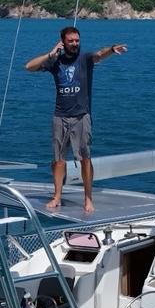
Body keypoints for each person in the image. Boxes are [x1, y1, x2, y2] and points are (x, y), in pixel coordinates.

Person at [24, 25, 127, 213]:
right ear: (63, 42)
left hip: (81, 116)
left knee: (85, 159)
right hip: (60, 116)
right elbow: (29, 67)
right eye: (70, 41)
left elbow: (99, 55)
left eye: (77, 41)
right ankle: (57, 196)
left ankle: (88, 198)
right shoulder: (55, 62)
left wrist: (111, 50)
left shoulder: (85, 59)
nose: (74, 44)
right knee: (58, 160)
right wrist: (50, 54)